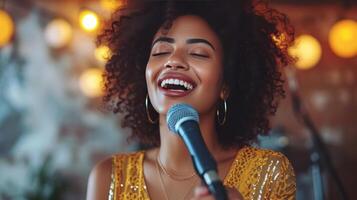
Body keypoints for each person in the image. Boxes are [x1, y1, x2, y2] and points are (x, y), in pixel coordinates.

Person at [86, 0, 296, 199]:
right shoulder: (108, 177)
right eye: (161, 51)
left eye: (198, 53)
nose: (174, 61)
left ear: (226, 85)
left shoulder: (268, 173)